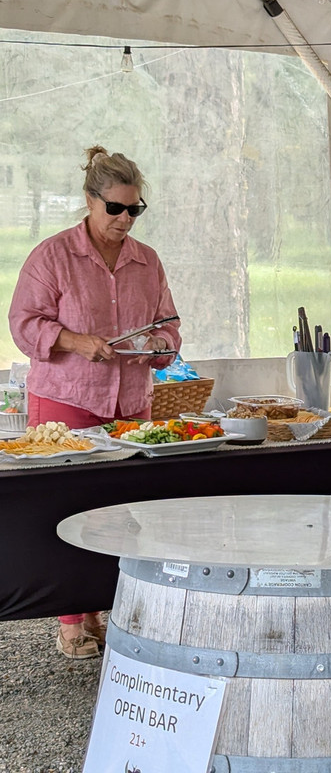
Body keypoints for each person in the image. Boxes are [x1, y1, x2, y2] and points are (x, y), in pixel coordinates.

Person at [8, 146, 181, 660]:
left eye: (135, 209)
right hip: (66, 401)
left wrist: (159, 345)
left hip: (130, 406)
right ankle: (71, 620)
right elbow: (23, 323)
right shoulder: (52, 256)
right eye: (116, 208)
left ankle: (106, 609)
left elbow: (169, 328)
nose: (125, 219)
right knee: (67, 509)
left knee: (123, 512)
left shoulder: (148, 261)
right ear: (89, 201)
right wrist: (76, 341)